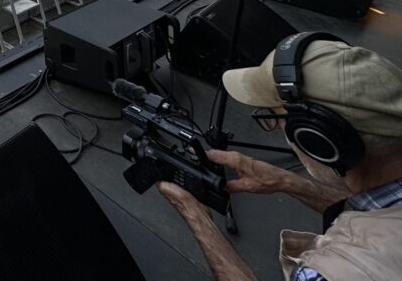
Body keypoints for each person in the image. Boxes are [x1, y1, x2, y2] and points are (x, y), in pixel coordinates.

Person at [158, 33, 402, 281]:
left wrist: (196, 215)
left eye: (274, 117)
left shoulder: (333, 274)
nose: (275, 128)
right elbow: (376, 214)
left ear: (317, 140)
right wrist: (286, 182)